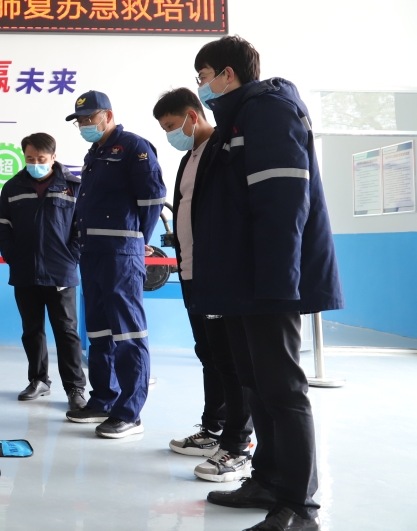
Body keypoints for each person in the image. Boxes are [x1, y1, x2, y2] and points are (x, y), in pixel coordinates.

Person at [189, 36, 343, 531]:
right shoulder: (236, 119)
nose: (202, 86)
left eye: (204, 76)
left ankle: (299, 505)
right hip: (241, 281)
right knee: (254, 383)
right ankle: (268, 482)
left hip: (266, 282)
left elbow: (283, 202)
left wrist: (279, 283)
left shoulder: (268, 111)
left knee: (282, 389)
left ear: (228, 74)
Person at [153, 88, 254, 483]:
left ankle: (238, 444)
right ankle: (214, 428)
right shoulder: (189, 157)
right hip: (192, 271)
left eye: (171, 126)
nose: (169, 134)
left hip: (218, 273)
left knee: (230, 359)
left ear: (192, 116)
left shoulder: (222, 149)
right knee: (208, 353)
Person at [63, 90, 166, 439]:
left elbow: (153, 198)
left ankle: (129, 412)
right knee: (98, 331)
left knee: (128, 332)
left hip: (121, 254)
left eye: (89, 118)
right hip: (92, 252)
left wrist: (136, 239)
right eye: (80, 120)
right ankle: (103, 399)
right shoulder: (94, 153)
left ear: (108, 115)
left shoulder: (134, 147)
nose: (84, 125)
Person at [0, 132, 87, 412]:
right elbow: (1, 227)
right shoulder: (13, 187)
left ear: (53, 157)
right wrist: (13, 257)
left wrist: (71, 257)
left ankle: (75, 388)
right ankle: (38, 380)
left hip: (61, 272)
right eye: (30, 158)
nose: (35, 163)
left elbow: (82, 227)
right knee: (31, 330)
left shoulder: (73, 187)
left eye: (41, 158)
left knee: (66, 332)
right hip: (25, 272)